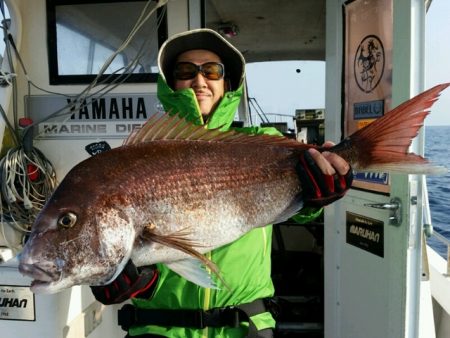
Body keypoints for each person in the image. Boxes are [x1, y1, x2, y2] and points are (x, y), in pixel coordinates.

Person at [91, 28, 353, 338]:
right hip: (158, 329)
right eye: (186, 71)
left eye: (211, 71)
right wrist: (115, 277)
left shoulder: (262, 144)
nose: (199, 81)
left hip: (245, 326)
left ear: (227, 84)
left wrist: (315, 199)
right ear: (171, 83)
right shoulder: (138, 157)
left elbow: (299, 209)